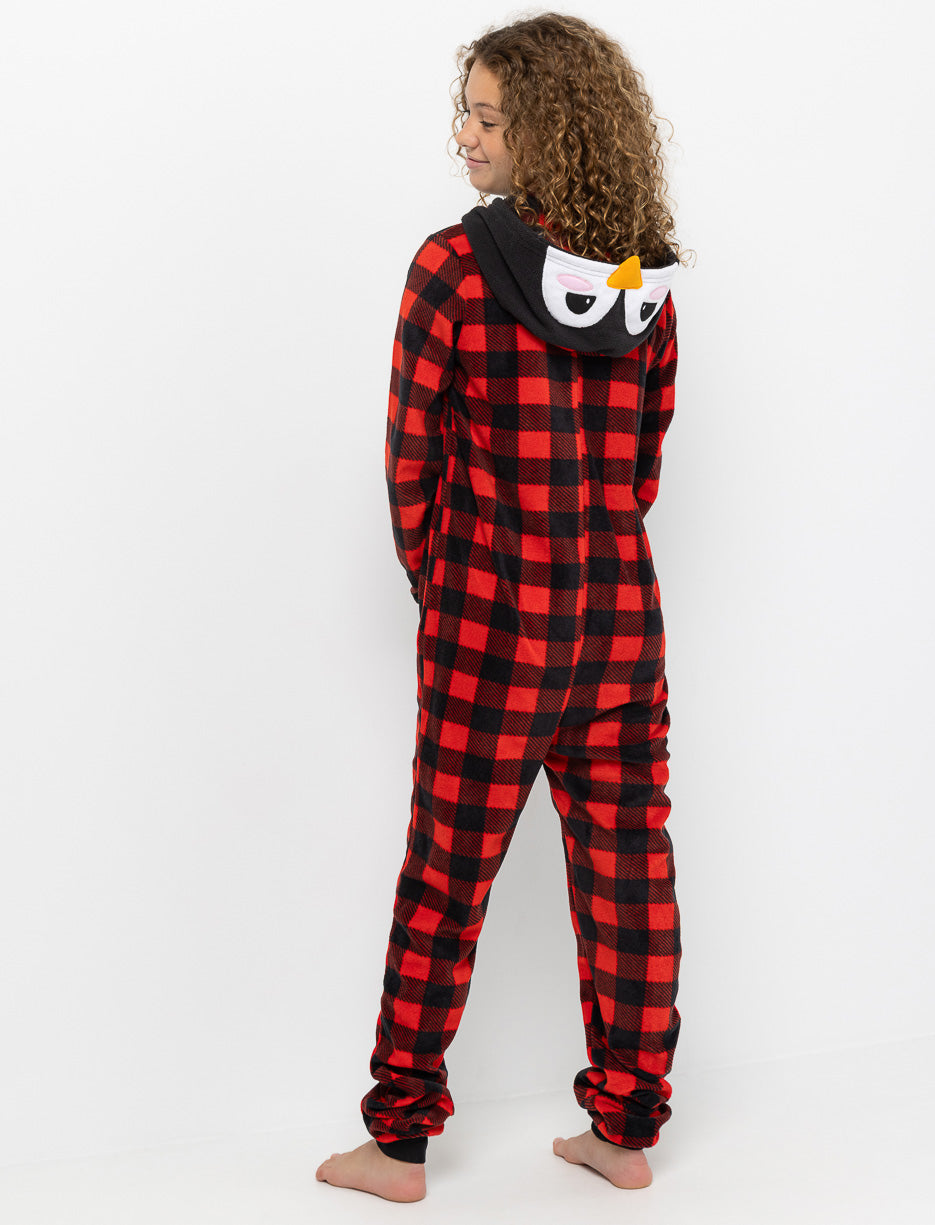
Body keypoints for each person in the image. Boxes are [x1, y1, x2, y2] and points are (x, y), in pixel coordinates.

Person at [317, 11, 687, 1203]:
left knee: (444, 879)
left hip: (491, 623)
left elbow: (410, 461)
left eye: (486, 116)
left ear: (547, 128)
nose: (463, 137)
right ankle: (624, 1128)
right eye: (465, 113)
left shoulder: (453, 267)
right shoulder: (640, 286)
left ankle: (398, 1141)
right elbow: (639, 467)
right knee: (627, 877)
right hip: (619, 623)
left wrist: (448, 586)